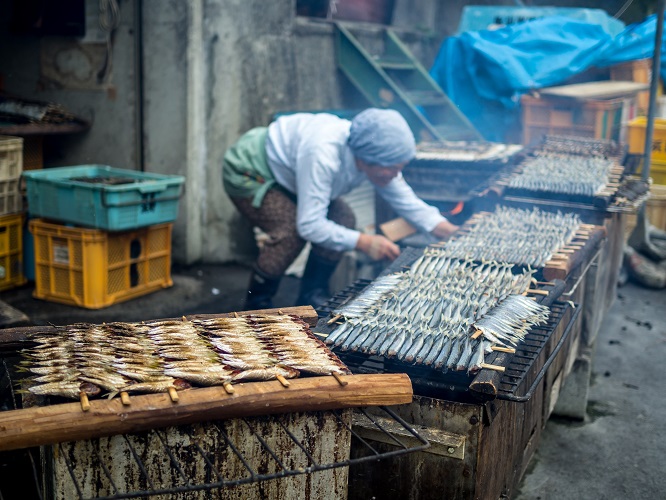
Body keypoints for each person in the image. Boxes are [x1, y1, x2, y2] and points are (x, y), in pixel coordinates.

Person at [222, 108, 459, 310]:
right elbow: (310, 225)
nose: (396, 175)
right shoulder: (323, 153)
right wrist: (365, 242)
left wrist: (442, 228)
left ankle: (311, 298)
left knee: (343, 218)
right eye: (393, 169)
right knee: (290, 232)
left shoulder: (376, 156)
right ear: (368, 159)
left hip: (292, 176)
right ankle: (256, 308)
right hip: (251, 170)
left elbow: (404, 197)